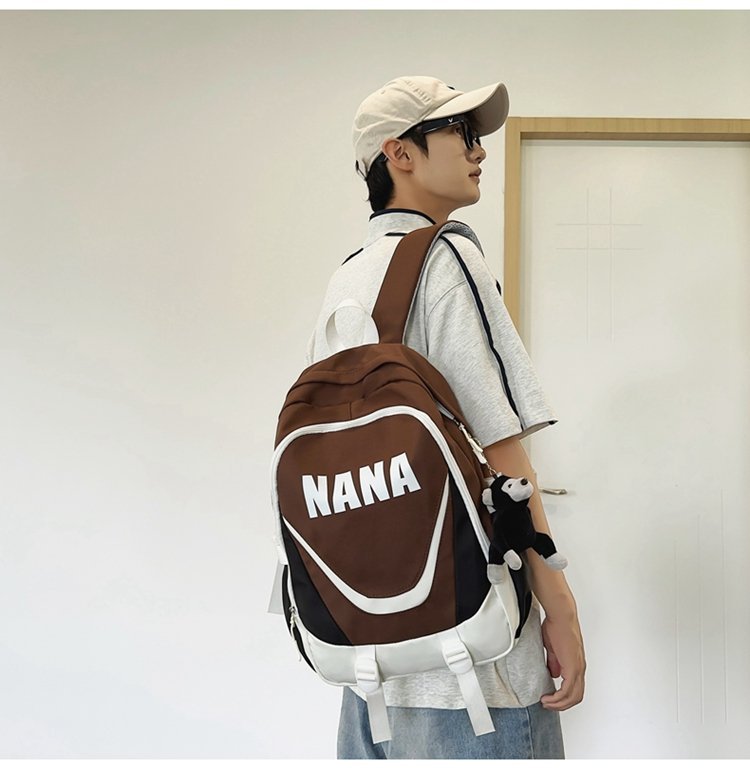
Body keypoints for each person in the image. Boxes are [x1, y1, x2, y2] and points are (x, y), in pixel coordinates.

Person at [304, 75, 586, 760]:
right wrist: (562, 609)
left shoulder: (347, 275)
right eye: (459, 132)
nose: (479, 149)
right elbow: (503, 452)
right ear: (399, 154)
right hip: (474, 666)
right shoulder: (448, 257)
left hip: (369, 663)